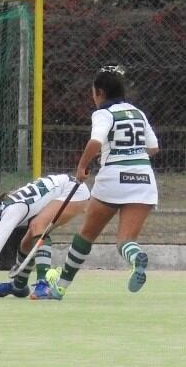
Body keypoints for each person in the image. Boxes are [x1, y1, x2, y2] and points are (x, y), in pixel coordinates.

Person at [36, 66, 159, 300]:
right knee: (125, 240)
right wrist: (131, 155)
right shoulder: (137, 113)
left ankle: (59, 287)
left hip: (113, 180)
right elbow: (153, 148)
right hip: (144, 180)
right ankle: (135, 257)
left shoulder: (103, 114)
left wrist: (82, 166)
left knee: (85, 235)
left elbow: (95, 141)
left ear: (100, 92)